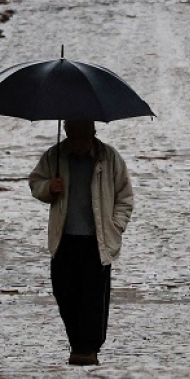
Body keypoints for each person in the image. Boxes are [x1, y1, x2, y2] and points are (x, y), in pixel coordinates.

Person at [29, 120, 134, 366]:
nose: (77, 144)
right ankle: (77, 342)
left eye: (82, 137)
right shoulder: (55, 156)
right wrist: (49, 188)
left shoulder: (109, 158)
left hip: (97, 240)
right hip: (64, 238)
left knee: (93, 297)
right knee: (64, 292)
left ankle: (88, 348)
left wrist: (115, 226)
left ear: (92, 134)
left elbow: (125, 196)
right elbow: (35, 183)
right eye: (72, 137)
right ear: (66, 133)